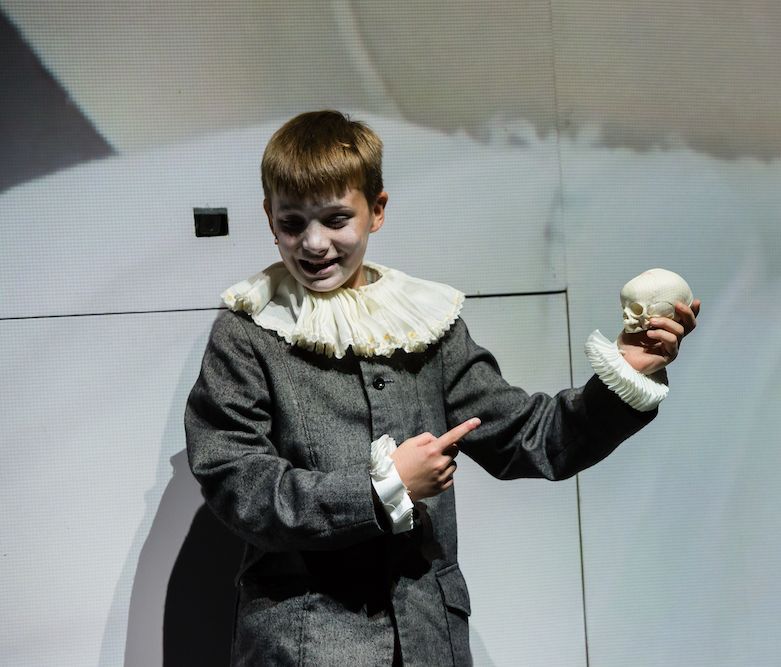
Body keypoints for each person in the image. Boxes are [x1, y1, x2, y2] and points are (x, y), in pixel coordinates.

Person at [184, 110, 700, 666]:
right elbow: (237, 480)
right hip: (305, 646)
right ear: (269, 217)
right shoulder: (249, 331)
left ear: (376, 210)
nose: (314, 244)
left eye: (336, 219)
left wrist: (627, 371)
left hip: (428, 641)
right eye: (292, 223)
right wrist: (378, 490)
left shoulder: (425, 323)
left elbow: (534, 437)